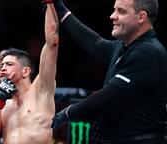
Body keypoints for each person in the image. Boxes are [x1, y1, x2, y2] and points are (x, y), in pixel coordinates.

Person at [50, 0, 167, 143]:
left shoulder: (148, 52)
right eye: (114, 10)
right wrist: (62, 10)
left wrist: (66, 114)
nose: (112, 16)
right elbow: (94, 43)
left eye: (121, 11)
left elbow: (107, 97)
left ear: (141, 17)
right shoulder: (125, 47)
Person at [0, 3, 59, 144]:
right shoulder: (3, 105)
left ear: (25, 71)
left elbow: (52, 43)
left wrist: (49, 3)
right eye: (2, 65)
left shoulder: (41, 91)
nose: (2, 68)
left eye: (9, 64)